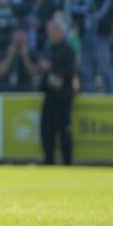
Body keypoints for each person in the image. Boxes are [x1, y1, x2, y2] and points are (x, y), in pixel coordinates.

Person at [37, 14, 78, 165]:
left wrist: (51, 68)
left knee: (64, 131)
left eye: (53, 31)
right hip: (49, 95)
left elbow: (71, 72)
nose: (50, 34)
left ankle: (67, 161)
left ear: (60, 32)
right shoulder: (50, 48)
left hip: (63, 96)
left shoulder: (68, 49)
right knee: (46, 130)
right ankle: (48, 160)